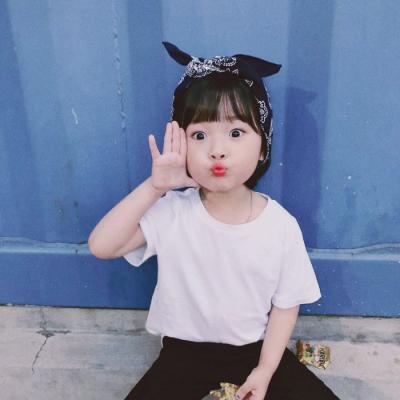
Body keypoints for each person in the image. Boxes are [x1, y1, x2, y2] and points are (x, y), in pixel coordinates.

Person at [88, 42, 340, 400]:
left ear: (263, 146)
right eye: (200, 135)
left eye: (236, 133)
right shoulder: (173, 211)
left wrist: (265, 370)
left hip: (253, 350)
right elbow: (102, 246)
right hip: (183, 353)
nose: (217, 150)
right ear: (182, 145)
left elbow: (286, 306)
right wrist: (155, 186)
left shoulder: (280, 226)